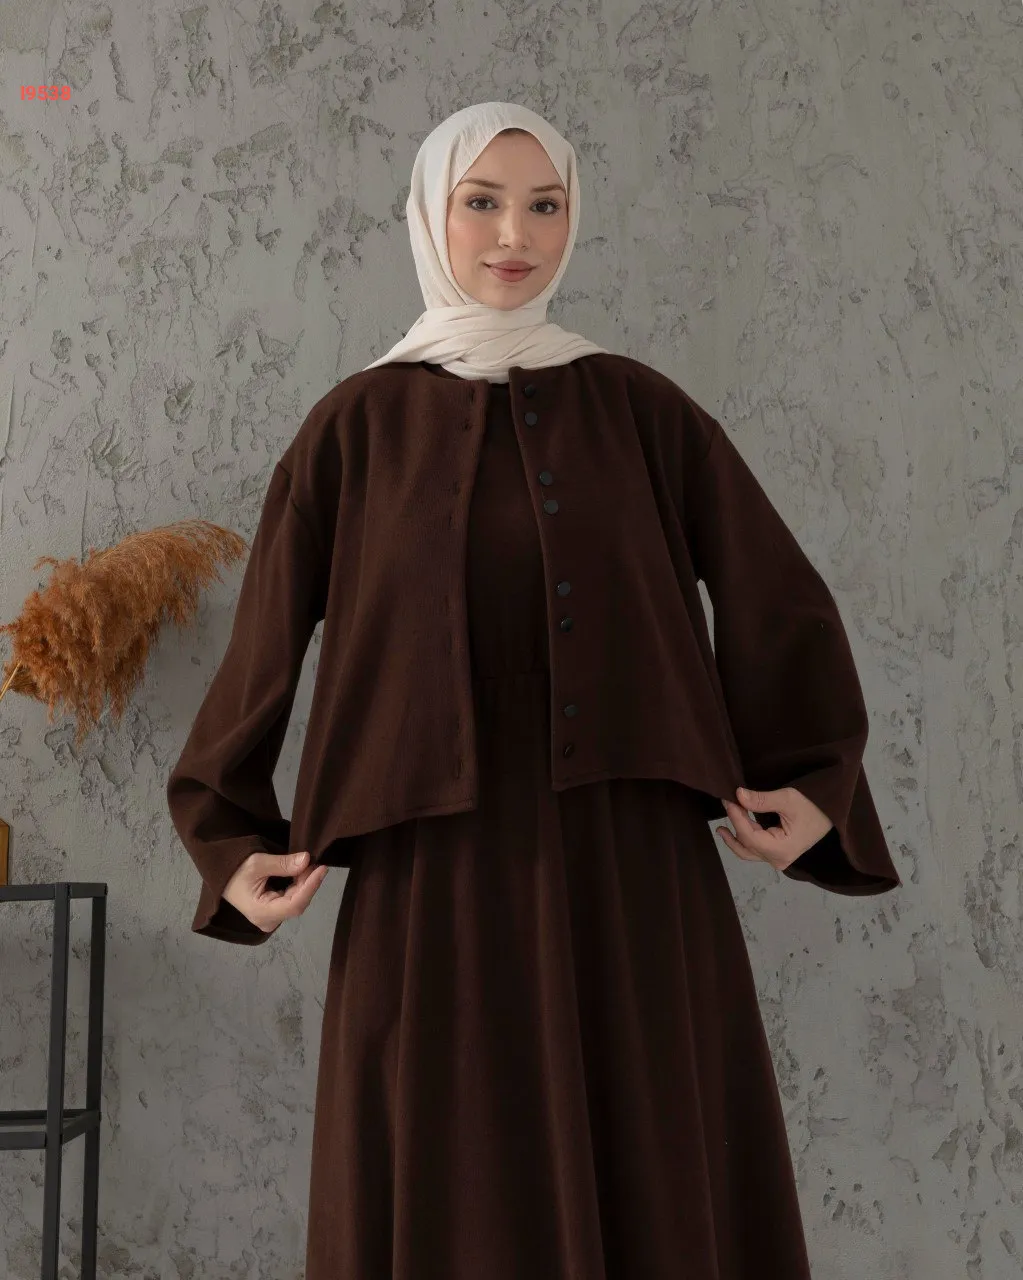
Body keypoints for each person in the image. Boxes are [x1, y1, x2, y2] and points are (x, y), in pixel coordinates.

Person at [168, 101, 900, 1278]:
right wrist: (230, 838)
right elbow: (262, 646)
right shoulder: (353, 429)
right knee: (449, 1184)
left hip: (632, 880)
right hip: (431, 887)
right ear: (429, 213)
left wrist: (816, 784)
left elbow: (776, 594)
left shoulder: (642, 410)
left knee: (652, 1171)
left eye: (544, 204)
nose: (515, 234)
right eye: (483, 202)